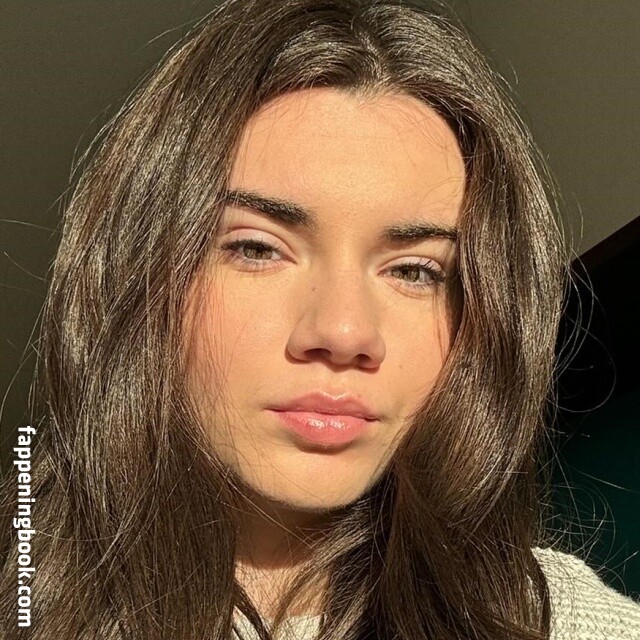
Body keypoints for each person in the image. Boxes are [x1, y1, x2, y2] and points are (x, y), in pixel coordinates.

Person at [1, 0, 639, 638]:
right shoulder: (22, 588)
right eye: (257, 249)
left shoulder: (558, 620)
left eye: (415, 271)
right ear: (138, 271)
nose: (344, 333)